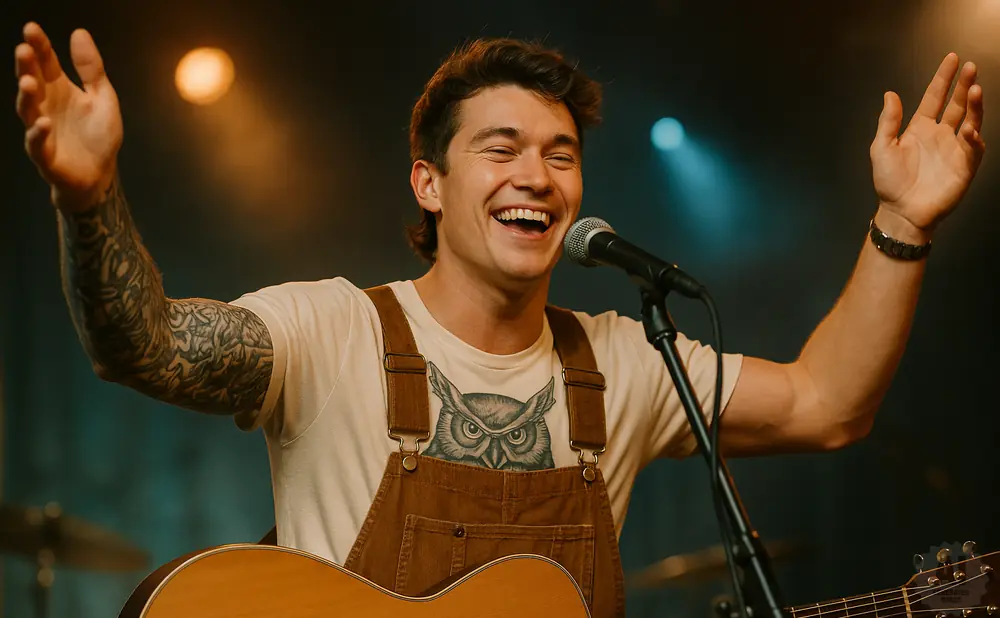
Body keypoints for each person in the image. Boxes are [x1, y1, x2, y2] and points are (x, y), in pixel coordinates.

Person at [14, 21, 985, 617]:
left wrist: (900, 221)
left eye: (561, 154)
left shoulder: (626, 362)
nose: (536, 174)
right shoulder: (333, 331)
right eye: (502, 147)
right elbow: (143, 348)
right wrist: (90, 200)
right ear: (428, 182)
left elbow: (828, 406)